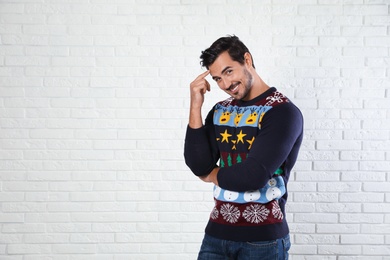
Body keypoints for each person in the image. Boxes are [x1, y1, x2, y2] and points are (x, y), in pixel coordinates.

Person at [184, 35, 304, 260]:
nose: (225, 84)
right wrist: (195, 105)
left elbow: (252, 175)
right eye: (218, 78)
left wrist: (211, 174)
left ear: (247, 60)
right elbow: (198, 164)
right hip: (215, 235)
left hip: (263, 241)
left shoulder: (281, 112)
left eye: (229, 71)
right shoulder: (221, 110)